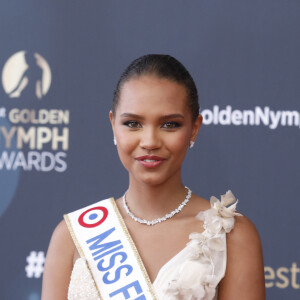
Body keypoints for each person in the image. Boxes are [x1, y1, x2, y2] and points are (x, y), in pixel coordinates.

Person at [41, 54, 265, 300]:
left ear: (194, 129)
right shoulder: (71, 236)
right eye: (133, 123)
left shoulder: (231, 235)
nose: (149, 142)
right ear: (113, 125)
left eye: (169, 125)